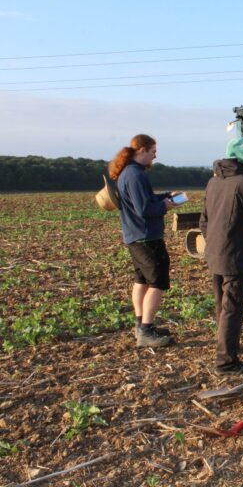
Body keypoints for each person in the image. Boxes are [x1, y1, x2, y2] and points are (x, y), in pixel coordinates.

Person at [200, 137, 243, 375]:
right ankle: (225, 361)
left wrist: (215, 241)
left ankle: (227, 345)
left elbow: (204, 220)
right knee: (232, 306)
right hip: (233, 254)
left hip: (215, 251)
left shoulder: (214, 182)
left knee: (223, 304)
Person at [108, 134, 175, 348]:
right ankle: (146, 331)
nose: (155, 156)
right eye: (153, 151)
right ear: (142, 150)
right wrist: (166, 206)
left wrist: (164, 196)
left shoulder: (127, 173)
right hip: (146, 237)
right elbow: (144, 209)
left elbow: (144, 200)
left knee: (141, 281)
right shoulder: (135, 175)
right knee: (157, 282)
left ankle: (141, 325)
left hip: (134, 236)